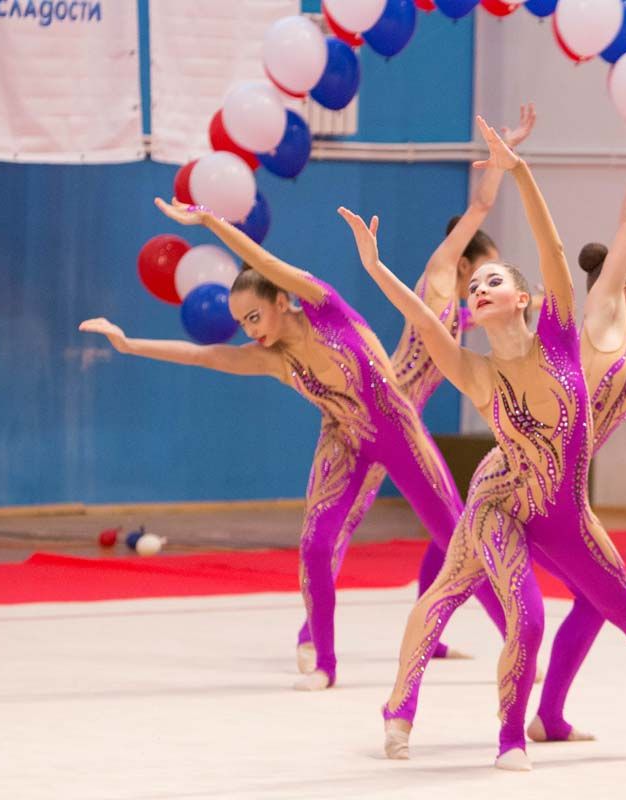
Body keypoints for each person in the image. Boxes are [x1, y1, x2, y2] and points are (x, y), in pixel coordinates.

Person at [339, 115, 626, 771]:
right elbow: (423, 318)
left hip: (563, 505)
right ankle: (433, 716)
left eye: (492, 281)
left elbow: (565, 246)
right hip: (503, 495)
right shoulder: (501, 362)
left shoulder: (579, 334)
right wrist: (375, 267)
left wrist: (522, 171)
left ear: (525, 297)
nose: (478, 289)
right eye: (474, 287)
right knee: (499, 608)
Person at [79, 197, 511, 692]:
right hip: (343, 439)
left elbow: (263, 262)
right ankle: (325, 662)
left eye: (254, 317)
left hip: (398, 430)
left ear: (281, 300)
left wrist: (209, 220)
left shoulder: (325, 307)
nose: (250, 331)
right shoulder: (273, 358)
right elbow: (204, 356)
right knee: (316, 544)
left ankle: (514, 639)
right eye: (243, 324)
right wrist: (130, 344)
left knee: (458, 537)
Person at [294, 104, 537, 674]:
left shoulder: (464, 307)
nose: (489, 280)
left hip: (404, 419)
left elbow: (477, 329)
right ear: (465, 259)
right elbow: (479, 207)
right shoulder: (440, 274)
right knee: (344, 523)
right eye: (487, 268)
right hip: (382, 407)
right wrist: (503, 157)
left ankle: (437, 628)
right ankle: (311, 634)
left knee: (452, 527)